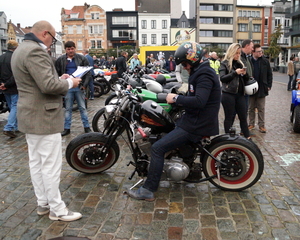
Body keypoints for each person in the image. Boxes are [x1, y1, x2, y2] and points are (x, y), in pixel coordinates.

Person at [127, 41, 221, 201]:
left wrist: (176, 98)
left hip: (196, 124)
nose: (183, 67)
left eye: (185, 63)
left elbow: (199, 101)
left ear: (193, 59)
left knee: (157, 148)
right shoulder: (201, 71)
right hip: (193, 119)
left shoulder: (204, 74)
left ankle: (148, 190)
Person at [11, 20, 82, 221]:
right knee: (50, 165)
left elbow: (37, 82)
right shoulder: (35, 51)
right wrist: (70, 82)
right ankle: (57, 210)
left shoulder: (20, 50)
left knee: (36, 163)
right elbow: (48, 86)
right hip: (44, 116)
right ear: (45, 34)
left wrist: (60, 78)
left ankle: (43, 203)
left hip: (29, 115)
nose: (52, 43)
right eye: (53, 38)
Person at [55, 41, 92, 136]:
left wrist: (84, 85)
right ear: (65, 50)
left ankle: (87, 127)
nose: (71, 51)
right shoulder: (60, 60)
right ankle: (66, 128)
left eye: (72, 49)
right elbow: (57, 72)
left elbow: (88, 73)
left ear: (75, 48)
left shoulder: (82, 58)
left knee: (82, 108)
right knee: (68, 108)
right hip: (67, 86)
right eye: (68, 49)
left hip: (79, 86)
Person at [219, 43, 251, 139]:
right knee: (229, 117)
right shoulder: (224, 63)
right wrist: (234, 73)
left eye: (239, 53)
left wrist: (245, 74)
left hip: (240, 94)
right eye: (236, 53)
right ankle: (228, 137)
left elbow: (247, 79)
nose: (238, 55)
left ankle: (248, 137)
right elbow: (223, 78)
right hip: (228, 94)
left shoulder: (240, 63)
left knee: (243, 117)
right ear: (231, 53)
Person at [248, 44, 273, 133]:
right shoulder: (249, 61)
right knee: (251, 107)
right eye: (258, 51)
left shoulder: (265, 61)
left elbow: (269, 74)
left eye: (261, 51)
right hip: (251, 87)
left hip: (262, 87)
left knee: (261, 108)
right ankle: (251, 124)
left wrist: (269, 85)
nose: (260, 53)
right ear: (253, 52)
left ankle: (261, 125)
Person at [0, 40, 19, 138]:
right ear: (15, 48)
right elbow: (16, 75)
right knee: (15, 106)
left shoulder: (1, 57)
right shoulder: (14, 58)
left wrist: (2, 84)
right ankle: (9, 127)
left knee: (12, 107)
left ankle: (15, 126)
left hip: (4, 87)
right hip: (13, 87)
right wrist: (7, 84)